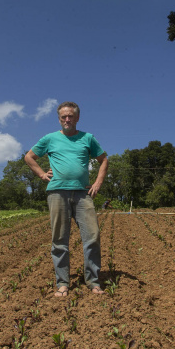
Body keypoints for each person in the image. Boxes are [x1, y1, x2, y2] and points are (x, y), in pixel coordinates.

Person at [25, 101, 108, 297]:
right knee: (59, 239)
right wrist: (41, 175)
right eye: (64, 117)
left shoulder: (87, 138)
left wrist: (97, 183)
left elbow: (103, 159)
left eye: (71, 116)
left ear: (77, 118)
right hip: (57, 193)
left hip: (82, 194)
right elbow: (29, 157)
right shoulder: (50, 138)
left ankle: (93, 281)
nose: (67, 119)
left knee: (92, 236)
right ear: (59, 119)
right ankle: (62, 283)